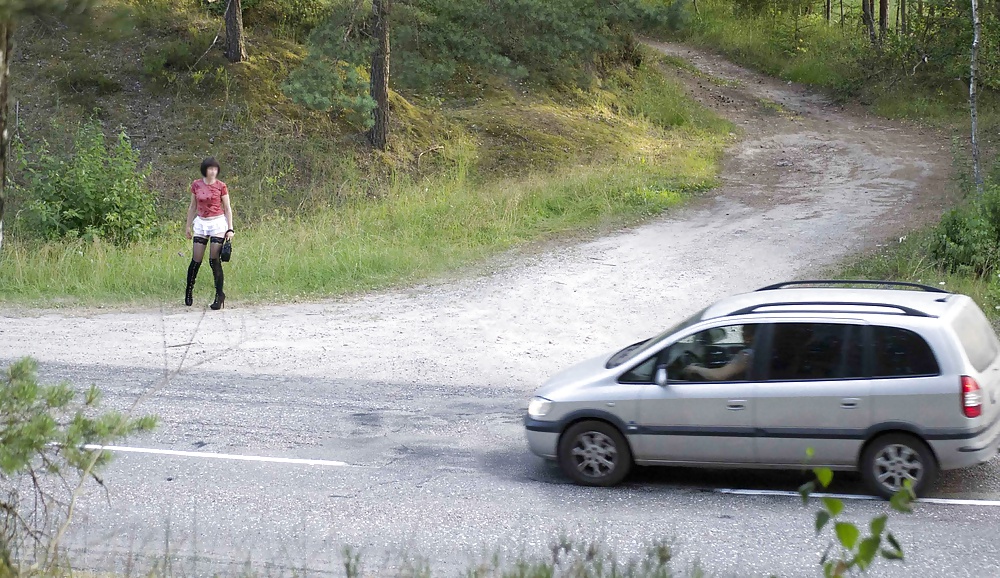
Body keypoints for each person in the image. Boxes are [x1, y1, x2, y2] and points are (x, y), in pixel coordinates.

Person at [184, 157, 234, 310]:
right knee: (196, 259)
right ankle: (189, 290)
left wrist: (230, 228)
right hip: (201, 222)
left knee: (214, 259)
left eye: (215, 169)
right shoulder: (196, 185)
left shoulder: (221, 186)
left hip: (217, 222)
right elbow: (192, 206)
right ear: (204, 170)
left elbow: (227, 208)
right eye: (210, 168)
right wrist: (187, 226)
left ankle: (219, 295)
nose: (213, 171)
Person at [683, 324, 757, 381]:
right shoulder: (757, 351)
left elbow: (719, 375)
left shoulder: (746, 355)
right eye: (743, 332)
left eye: (745, 332)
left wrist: (695, 369)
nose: (742, 335)